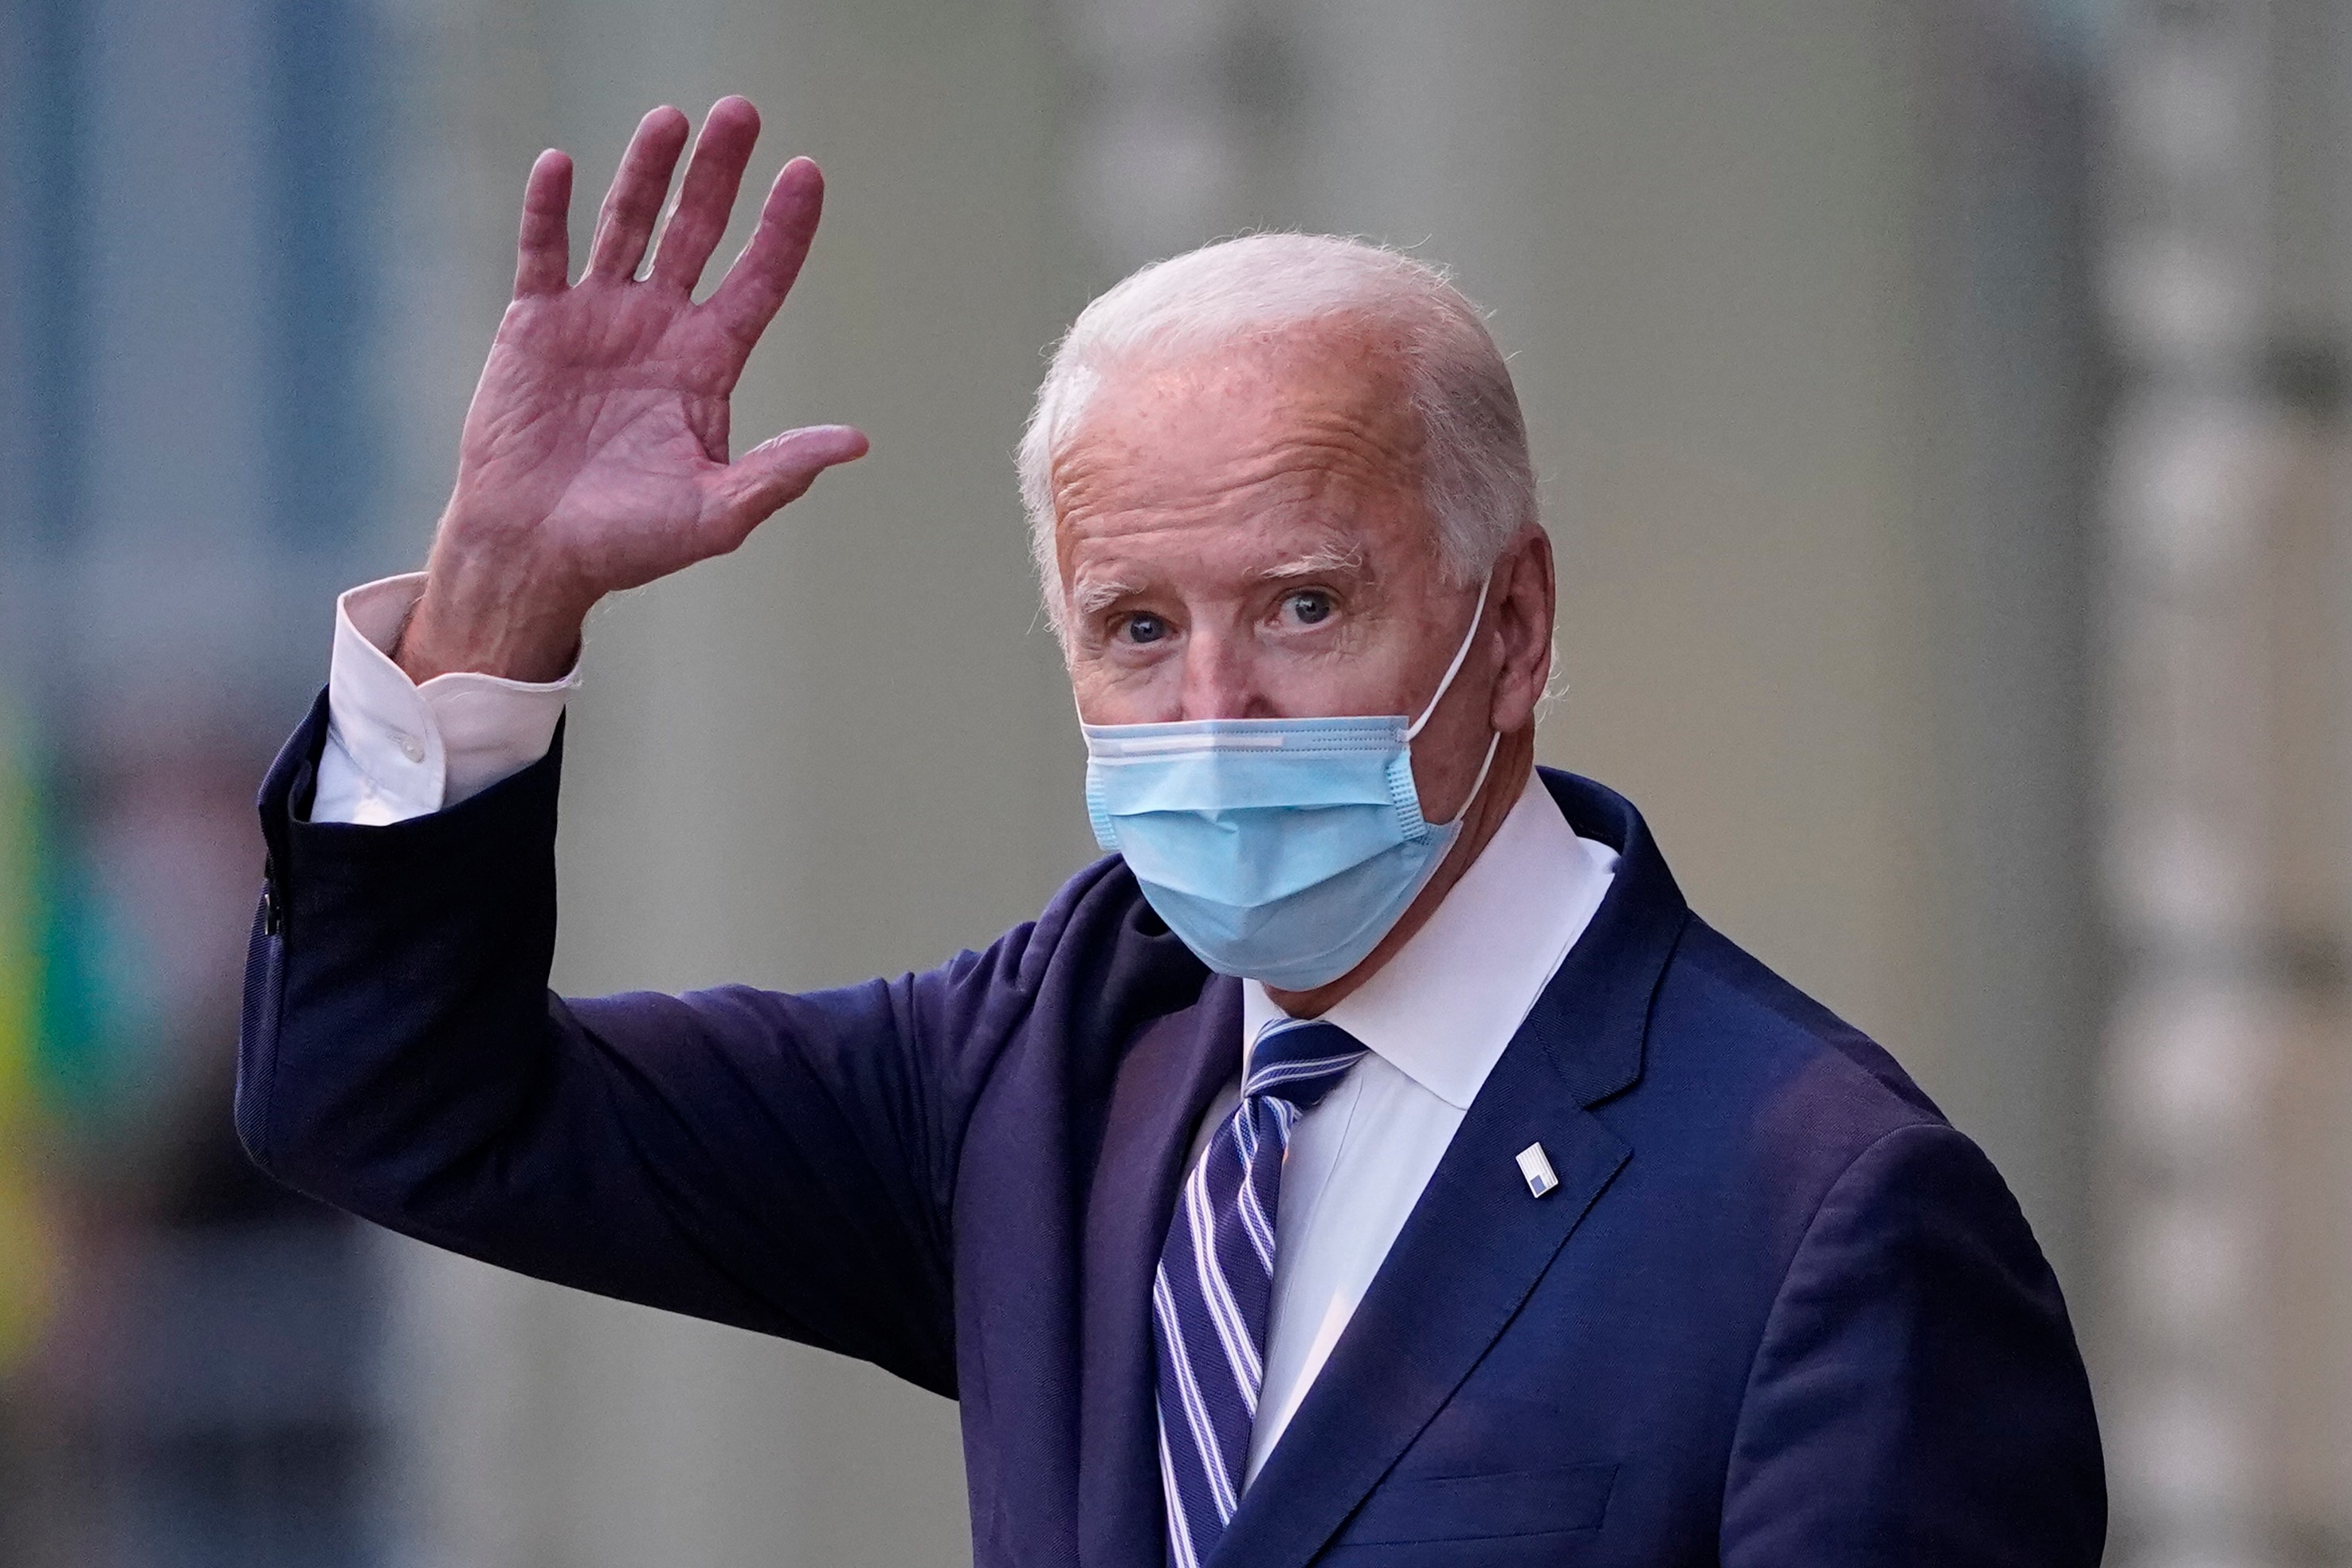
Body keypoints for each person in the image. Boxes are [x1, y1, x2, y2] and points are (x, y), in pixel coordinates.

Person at [240, 98, 2104, 1565]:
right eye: (1137, 629)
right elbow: (398, 1100)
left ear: (1513, 627)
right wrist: (495, 602)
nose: (1212, 711)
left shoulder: (1823, 1216)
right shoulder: (1052, 1069)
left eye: (1302, 607)